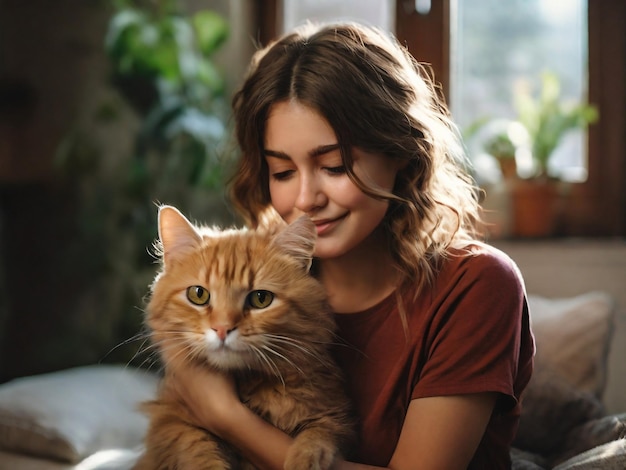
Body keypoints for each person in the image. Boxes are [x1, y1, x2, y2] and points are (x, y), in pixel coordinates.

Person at [170, 21, 534, 469]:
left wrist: (227, 418)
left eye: (335, 165)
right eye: (282, 172)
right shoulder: (253, 279)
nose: (306, 199)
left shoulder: (476, 285)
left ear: (399, 149)